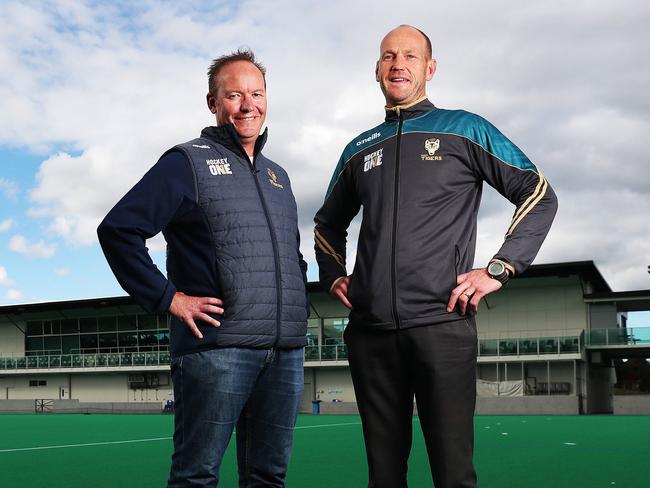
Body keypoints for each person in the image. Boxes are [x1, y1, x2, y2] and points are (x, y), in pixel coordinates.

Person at [314, 25, 558, 488]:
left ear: (430, 67)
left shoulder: (464, 128)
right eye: (388, 56)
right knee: (384, 477)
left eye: (409, 55)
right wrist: (333, 275)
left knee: (452, 474)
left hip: (442, 326)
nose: (398, 64)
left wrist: (499, 268)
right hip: (371, 335)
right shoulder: (359, 148)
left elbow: (539, 193)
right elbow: (327, 223)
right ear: (377, 69)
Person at [98, 49, 308, 488]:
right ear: (213, 103)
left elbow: (292, 253)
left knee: (268, 477)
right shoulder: (185, 162)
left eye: (256, 93)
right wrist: (168, 298)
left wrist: (297, 309)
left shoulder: (279, 176)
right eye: (234, 95)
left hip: (284, 351)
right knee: (197, 476)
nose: (248, 104)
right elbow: (118, 229)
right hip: (217, 349)